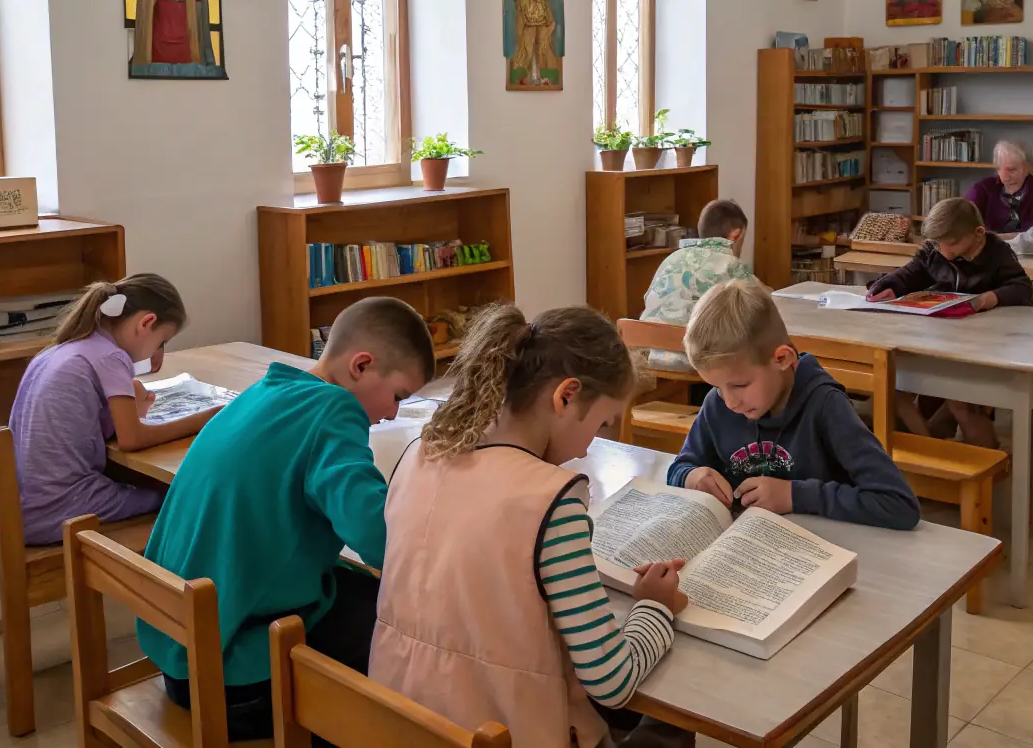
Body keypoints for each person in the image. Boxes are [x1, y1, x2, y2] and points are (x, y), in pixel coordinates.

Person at [370, 304, 693, 748]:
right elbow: (612, 682)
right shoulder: (552, 500)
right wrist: (655, 606)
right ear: (566, 396)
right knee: (670, 730)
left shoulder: (418, 455)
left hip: (395, 724)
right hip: (497, 733)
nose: (587, 447)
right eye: (600, 423)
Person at [139, 297, 435, 741]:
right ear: (362, 365)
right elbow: (380, 540)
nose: (393, 412)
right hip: (233, 679)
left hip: (180, 649)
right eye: (398, 395)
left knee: (363, 594)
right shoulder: (334, 412)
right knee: (411, 637)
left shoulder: (266, 391)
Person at [666, 279, 919, 530]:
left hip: (821, 549)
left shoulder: (825, 405)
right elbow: (680, 467)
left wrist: (794, 495)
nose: (730, 402)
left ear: (782, 358)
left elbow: (898, 504)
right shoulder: (717, 404)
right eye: (717, 388)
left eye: (739, 386)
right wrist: (692, 477)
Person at [9, 275, 208, 545]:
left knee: (151, 487)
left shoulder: (62, 349)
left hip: (21, 510)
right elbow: (131, 439)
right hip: (61, 509)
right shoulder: (111, 357)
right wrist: (204, 419)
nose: (158, 352)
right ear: (147, 323)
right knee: (178, 494)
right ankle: (172, 582)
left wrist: (132, 404)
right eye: (162, 341)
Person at [867, 198, 1033, 448]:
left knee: (961, 401)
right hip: (938, 340)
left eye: (952, 243)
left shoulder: (997, 253)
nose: (944, 250)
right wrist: (887, 286)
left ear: (978, 234)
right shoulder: (936, 250)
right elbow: (911, 273)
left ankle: (978, 463)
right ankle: (929, 451)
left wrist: (990, 298)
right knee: (893, 389)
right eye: (937, 243)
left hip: (983, 346)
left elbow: (1022, 288)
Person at [640, 198, 752, 372]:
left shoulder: (672, 258)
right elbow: (757, 308)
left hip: (654, 354)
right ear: (735, 235)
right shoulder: (731, 265)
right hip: (697, 359)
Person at [965, 140, 1033, 234]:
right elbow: (964, 221)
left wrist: (999, 239)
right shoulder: (982, 189)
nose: (1005, 177)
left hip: (1026, 247)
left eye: (1011, 170)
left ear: (1026, 168)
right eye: (999, 169)